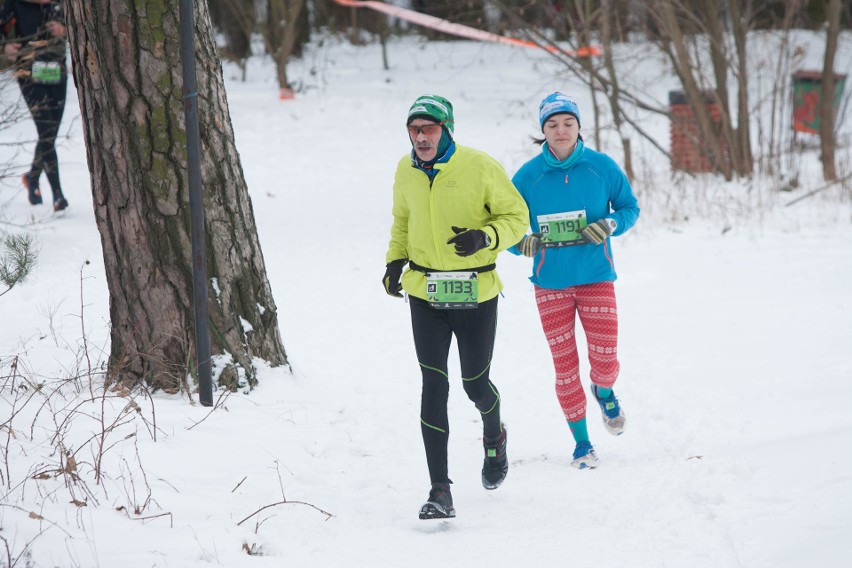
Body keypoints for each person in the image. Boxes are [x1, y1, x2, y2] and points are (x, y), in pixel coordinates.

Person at [383, 94, 529, 519]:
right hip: (426, 292)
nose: (421, 137)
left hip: (475, 291)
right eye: (414, 129)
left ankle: (494, 436)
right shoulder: (404, 169)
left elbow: (517, 216)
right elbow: (402, 221)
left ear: (447, 130)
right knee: (434, 385)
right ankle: (440, 490)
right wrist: (394, 260)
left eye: (429, 129)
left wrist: (486, 237)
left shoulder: (480, 166)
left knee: (474, 385)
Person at [509, 92, 639, 470]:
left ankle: (605, 390)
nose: (561, 130)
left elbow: (630, 207)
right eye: (552, 124)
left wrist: (612, 223)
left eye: (568, 123)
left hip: (596, 277)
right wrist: (521, 244)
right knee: (564, 367)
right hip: (549, 284)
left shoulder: (601, 167)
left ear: (579, 126)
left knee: (605, 358)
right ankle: (582, 445)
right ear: (543, 131)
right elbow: (504, 224)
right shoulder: (527, 177)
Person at [1, 0, 69, 211]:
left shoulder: (59, 4)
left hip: (56, 69)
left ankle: (33, 176)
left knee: (50, 133)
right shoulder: (14, 4)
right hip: (29, 71)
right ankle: (57, 194)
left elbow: (82, 27)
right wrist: (6, 45)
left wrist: (64, 29)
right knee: (46, 129)